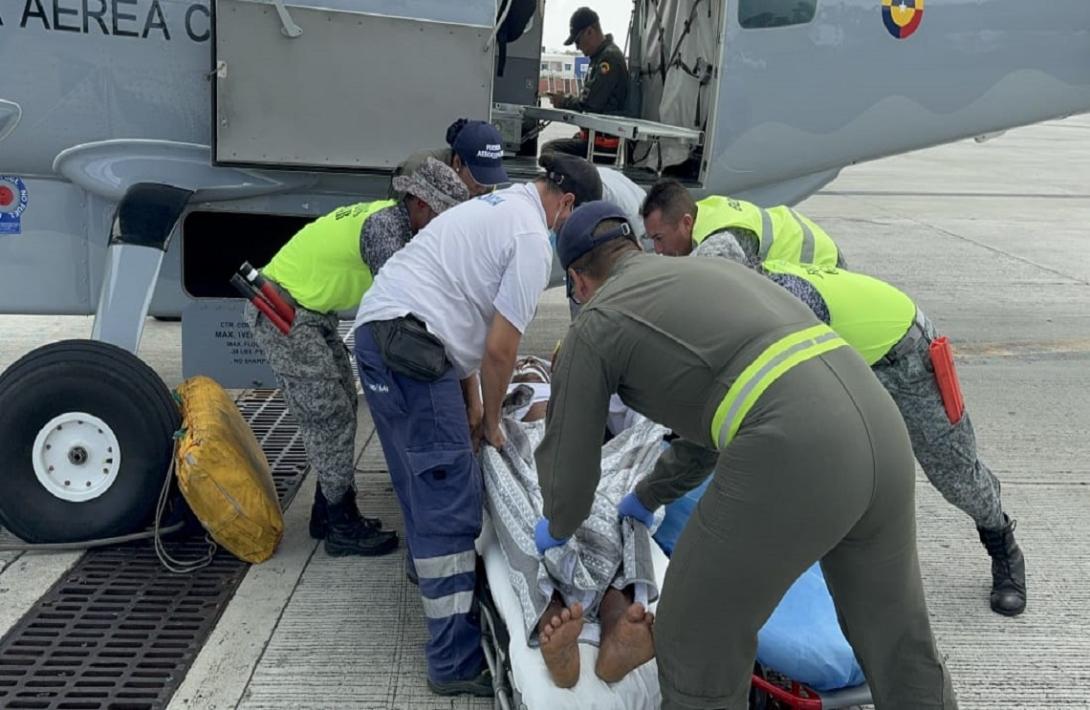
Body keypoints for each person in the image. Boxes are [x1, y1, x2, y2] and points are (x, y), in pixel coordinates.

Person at [534, 200, 958, 709]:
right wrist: (650, 494)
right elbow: (721, 414)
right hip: (880, 427)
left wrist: (558, 525)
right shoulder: (707, 274)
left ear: (578, 281)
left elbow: (569, 464)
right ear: (635, 248)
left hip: (797, 445)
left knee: (693, 635)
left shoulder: (597, 321)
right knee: (897, 640)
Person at [351, 154, 603, 698]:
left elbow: (459, 315)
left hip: (383, 338)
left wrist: (471, 403)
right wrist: (492, 424)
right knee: (450, 505)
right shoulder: (533, 238)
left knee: (422, 484)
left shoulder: (497, 206)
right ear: (567, 204)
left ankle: (432, 580)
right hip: (414, 352)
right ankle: (453, 660)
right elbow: (500, 349)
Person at [694, 251, 1028, 616]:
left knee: (956, 476)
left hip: (904, 358)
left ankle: (1002, 542)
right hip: (851, 358)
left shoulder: (787, 300)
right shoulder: (754, 293)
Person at [246, 158, 469, 557]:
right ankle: (341, 526)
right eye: (441, 215)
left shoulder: (396, 221)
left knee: (341, 407)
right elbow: (405, 308)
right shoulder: (386, 230)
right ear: (419, 203)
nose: (445, 227)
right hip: (283, 311)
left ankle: (327, 512)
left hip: (309, 312)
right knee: (329, 415)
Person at [640, 177, 846, 267]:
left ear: (686, 223)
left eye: (660, 238)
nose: (658, 249)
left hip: (820, 264)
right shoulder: (703, 212)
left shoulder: (720, 244)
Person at [541, 7, 630, 159]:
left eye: (578, 40)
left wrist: (563, 101)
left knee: (549, 150)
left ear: (590, 31)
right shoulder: (600, 57)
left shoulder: (608, 60)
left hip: (602, 145)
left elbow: (590, 105)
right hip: (593, 138)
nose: (577, 47)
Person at [389, 118, 509, 199]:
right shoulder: (419, 170)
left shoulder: (486, 186)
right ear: (457, 163)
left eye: (490, 177)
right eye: (479, 176)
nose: (482, 188)